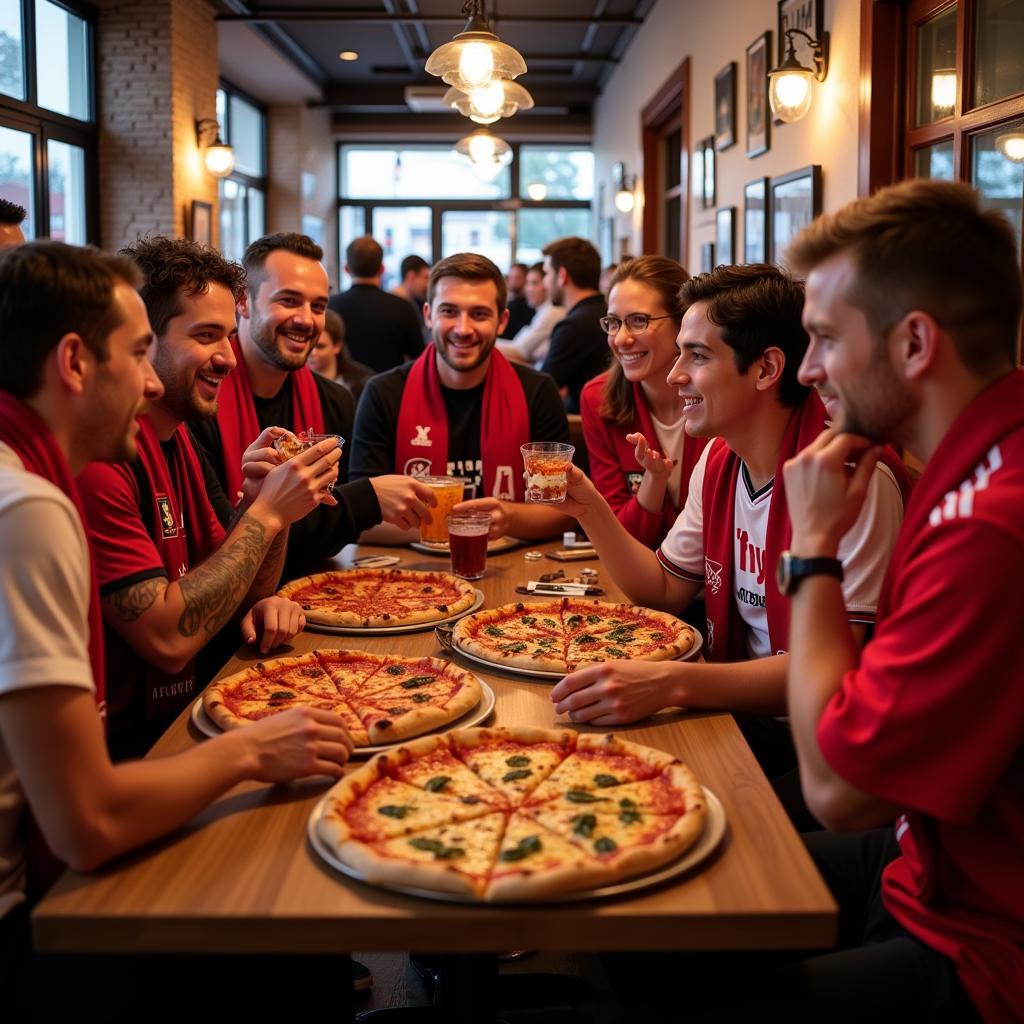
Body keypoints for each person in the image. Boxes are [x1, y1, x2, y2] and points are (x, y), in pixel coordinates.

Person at [0, 241, 354, 1013]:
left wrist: (269, 511)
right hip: (33, 909)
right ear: (73, 362)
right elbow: (90, 818)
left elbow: (217, 593)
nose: (155, 379)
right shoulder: (31, 505)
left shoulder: (155, 445)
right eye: (139, 351)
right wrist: (252, 749)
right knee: (301, 932)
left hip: (144, 753)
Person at [763, 179, 1023, 1022]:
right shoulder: (963, 467)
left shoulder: (992, 525)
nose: (807, 372)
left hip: (981, 944)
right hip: (925, 857)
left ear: (914, 343)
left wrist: (811, 550)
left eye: (825, 340)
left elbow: (838, 791)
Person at [550, 265, 907, 788]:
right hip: (741, 711)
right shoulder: (720, 456)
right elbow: (665, 590)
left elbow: (834, 671)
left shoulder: (854, 478)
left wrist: (672, 682)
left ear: (766, 369)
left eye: (696, 356)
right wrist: (589, 510)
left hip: (830, 750)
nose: (674, 376)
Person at [76, 236, 339, 760]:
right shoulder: (101, 461)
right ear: (144, 343)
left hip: (198, 709)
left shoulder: (180, 437)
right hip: (133, 749)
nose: (228, 358)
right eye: (205, 336)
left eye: (227, 335)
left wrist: (273, 507)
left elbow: (238, 592)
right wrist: (266, 513)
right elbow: (170, 641)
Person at [187, 232, 435, 581]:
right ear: (243, 302)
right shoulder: (200, 401)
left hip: (316, 590)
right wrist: (368, 498)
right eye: (289, 301)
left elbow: (334, 529)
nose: (306, 320)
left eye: (318, 306)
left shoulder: (334, 400)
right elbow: (224, 542)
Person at [349, 252, 573, 543]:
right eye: (449, 312)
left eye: (479, 314)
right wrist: (458, 526)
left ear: (502, 321)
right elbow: (359, 517)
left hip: (513, 569)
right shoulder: (383, 392)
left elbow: (561, 511)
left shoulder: (538, 391)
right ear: (429, 315)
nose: (463, 329)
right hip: (409, 576)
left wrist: (509, 517)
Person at [580, 256, 707, 548]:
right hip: (641, 580)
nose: (621, 339)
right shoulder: (597, 399)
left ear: (682, 322)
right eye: (613, 322)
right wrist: (654, 480)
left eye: (639, 321)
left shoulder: (717, 395)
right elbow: (620, 537)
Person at [328, 236, 425, 373]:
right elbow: (420, 359)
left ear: (346, 269)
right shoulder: (403, 307)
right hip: (389, 391)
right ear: (382, 269)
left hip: (341, 391)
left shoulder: (330, 307)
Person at [540, 236, 610, 413]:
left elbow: (541, 390)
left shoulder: (573, 326)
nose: (544, 283)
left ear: (562, 275)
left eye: (547, 273)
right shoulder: (608, 312)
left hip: (584, 427)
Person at [496, 260, 564, 367]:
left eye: (534, 283)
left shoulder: (552, 312)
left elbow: (520, 352)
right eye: (527, 283)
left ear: (547, 283)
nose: (528, 289)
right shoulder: (543, 311)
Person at [308, 309, 374, 402]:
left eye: (320, 347)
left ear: (337, 347)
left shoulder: (363, 381)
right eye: (309, 345)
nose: (313, 353)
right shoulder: (290, 378)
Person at [390, 253, 431, 338]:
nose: (428, 284)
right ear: (411, 276)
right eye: (425, 278)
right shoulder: (399, 306)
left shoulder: (414, 302)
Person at [500, 261, 533, 338]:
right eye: (510, 277)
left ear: (526, 279)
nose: (512, 281)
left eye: (517, 278)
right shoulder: (508, 301)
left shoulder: (529, 305)